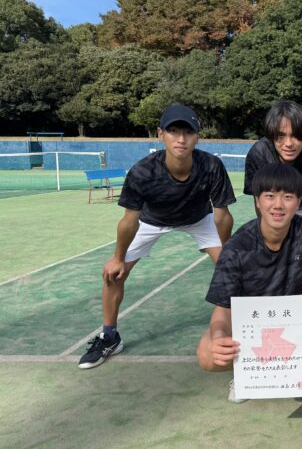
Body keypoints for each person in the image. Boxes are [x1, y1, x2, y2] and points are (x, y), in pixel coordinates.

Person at [198, 163, 302, 412]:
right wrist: (220, 335)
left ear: (298, 202)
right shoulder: (236, 246)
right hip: (253, 320)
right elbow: (222, 309)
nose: (278, 205)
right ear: (257, 201)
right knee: (208, 354)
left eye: (287, 197)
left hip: (297, 313)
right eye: (270, 196)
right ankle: (247, 373)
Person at [79, 104, 235, 369]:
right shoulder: (142, 172)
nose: (181, 139)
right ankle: (109, 337)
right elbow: (129, 221)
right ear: (160, 134)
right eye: (174, 131)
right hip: (151, 221)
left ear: (198, 137)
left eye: (188, 132)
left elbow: (222, 216)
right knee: (114, 274)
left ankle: (243, 331)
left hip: (199, 219)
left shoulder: (211, 166)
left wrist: (229, 254)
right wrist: (117, 257)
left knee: (234, 272)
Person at [244, 100, 302, 237]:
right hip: (274, 207)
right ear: (272, 135)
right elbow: (259, 201)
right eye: (280, 136)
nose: (289, 143)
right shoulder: (258, 154)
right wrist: (268, 234)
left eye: (296, 135)